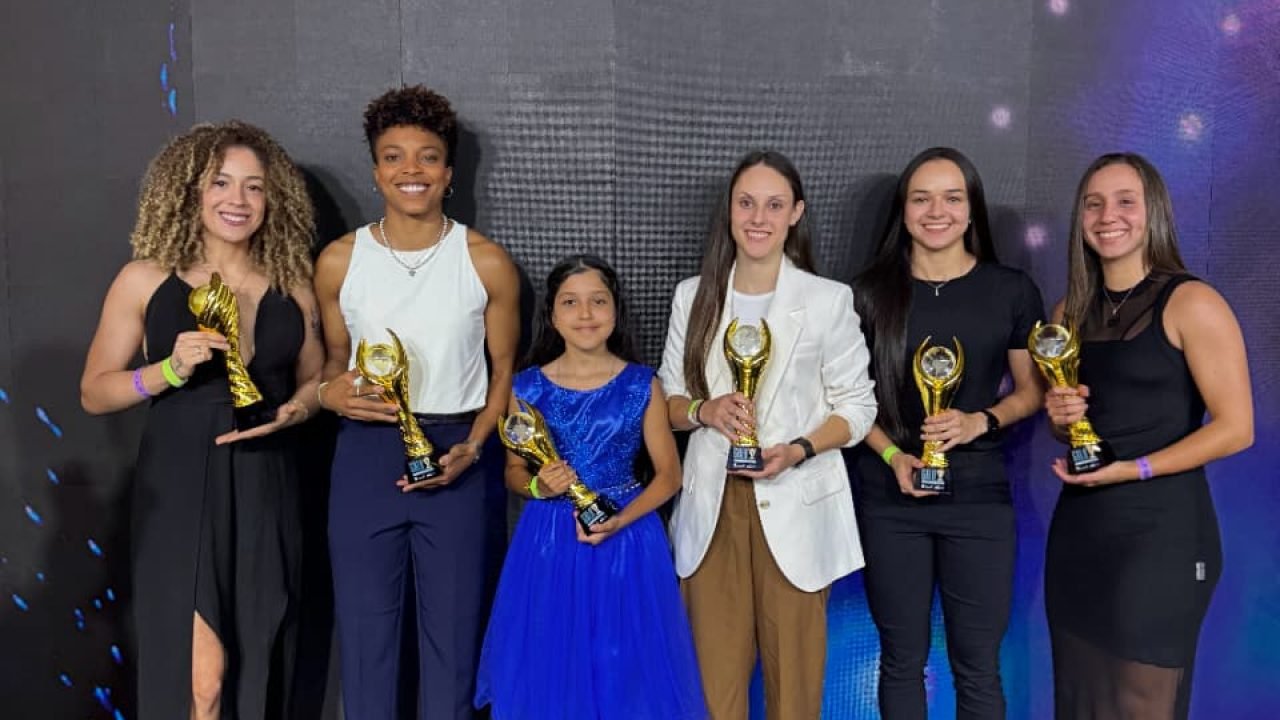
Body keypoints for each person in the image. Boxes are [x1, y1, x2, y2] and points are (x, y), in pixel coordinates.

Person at [80, 121, 322, 719]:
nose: (238, 199)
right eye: (220, 182)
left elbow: (318, 380)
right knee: (201, 681)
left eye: (254, 186)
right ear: (189, 189)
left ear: (273, 199)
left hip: (266, 481)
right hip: (182, 487)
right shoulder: (144, 279)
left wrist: (297, 409)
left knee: (260, 661)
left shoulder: (294, 284)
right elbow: (94, 391)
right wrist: (166, 371)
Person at [314, 85, 518, 720]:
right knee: (366, 639)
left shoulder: (485, 261)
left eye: (427, 156)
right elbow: (331, 362)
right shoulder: (339, 261)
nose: (412, 170)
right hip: (365, 456)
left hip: (458, 457)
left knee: (455, 644)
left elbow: (504, 373)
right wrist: (330, 395)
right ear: (376, 170)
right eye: (394, 156)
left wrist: (474, 449)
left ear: (449, 171)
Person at [658, 149, 877, 719]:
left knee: (795, 694)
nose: (758, 218)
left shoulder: (828, 300)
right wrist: (705, 411)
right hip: (712, 511)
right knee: (713, 695)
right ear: (729, 210)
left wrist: (798, 450)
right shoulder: (693, 295)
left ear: (796, 213)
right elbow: (670, 404)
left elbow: (858, 408)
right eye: (747, 203)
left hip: (797, 506)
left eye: (774, 205)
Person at [1042, 152, 1252, 719]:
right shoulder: (1067, 313)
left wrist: (1133, 469)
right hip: (1082, 531)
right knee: (1080, 702)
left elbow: (1237, 429)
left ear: (1153, 211)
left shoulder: (1192, 302)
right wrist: (1061, 416)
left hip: (1162, 536)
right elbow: (1069, 429)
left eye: (1125, 201)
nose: (1108, 216)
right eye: (1094, 204)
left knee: (1140, 705)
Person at [850, 147, 1044, 718]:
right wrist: (893, 456)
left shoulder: (1012, 290)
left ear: (971, 207)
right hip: (890, 500)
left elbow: (1032, 391)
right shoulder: (864, 295)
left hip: (979, 499)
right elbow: (846, 400)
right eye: (922, 198)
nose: (937, 212)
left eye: (952, 198)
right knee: (900, 661)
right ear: (903, 210)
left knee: (978, 665)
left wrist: (982, 420)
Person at [474, 254, 707, 719]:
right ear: (552, 315)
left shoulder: (642, 384)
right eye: (571, 302)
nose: (585, 314)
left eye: (598, 301)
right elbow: (513, 472)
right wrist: (540, 486)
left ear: (615, 310)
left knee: (625, 666)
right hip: (550, 542)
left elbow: (669, 475)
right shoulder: (527, 388)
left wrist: (619, 519)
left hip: (628, 540)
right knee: (553, 661)